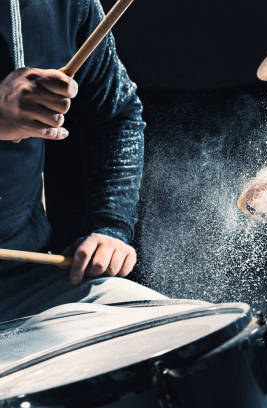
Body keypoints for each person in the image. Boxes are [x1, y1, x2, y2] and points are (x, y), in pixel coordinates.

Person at [0, 0, 165, 322]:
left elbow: (117, 116)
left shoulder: (68, 5)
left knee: (172, 336)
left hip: (24, 277)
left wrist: (110, 226)